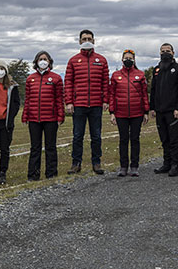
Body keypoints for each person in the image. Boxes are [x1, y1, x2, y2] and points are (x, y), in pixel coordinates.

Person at [65, 30, 109, 175]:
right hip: (79, 104)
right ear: (79, 42)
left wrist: (105, 100)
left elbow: (105, 83)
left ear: (94, 41)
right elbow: (69, 82)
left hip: (96, 104)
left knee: (96, 135)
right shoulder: (73, 61)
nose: (87, 41)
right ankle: (76, 163)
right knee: (78, 135)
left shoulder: (101, 60)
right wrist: (69, 102)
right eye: (84, 39)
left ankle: (96, 162)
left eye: (89, 38)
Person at [23, 50, 65, 180]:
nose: (43, 61)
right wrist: (25, 116)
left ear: (49, 62)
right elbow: (28, 99)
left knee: (50, 147)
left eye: (45, 59)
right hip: (34, 119)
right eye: (40, 59)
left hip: (50, 119)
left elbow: (59, 99)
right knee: (35, 148)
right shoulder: (30, 79)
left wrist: (60, 116)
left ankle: (51, 173)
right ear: (36, 62)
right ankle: (33, 175)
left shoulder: (56, 78)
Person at [108, 49, 149, 177]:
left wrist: (146, 111)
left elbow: (144, 95)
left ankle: (135, 166)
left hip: (137, 113)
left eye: (130, 58)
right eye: (126, 58)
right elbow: (112, 95)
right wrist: (112, 112)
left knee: (135, 139)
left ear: (134, 60)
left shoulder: (140, 75)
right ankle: (123, 166)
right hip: (121, 113)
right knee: (123, 140)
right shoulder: (115, 75)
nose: (128, 60)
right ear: (122, 60)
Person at [149, 43, 178, 177]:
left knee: (174, 139)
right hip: (159, 110)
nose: (165, 53)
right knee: (164, 138)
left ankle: (175, 164)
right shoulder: (157, 69)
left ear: (173, 53)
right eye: (163, 51)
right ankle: (166, 163)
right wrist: (152, 107)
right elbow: (153, 89)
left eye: (168, 51)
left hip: (173, 111)